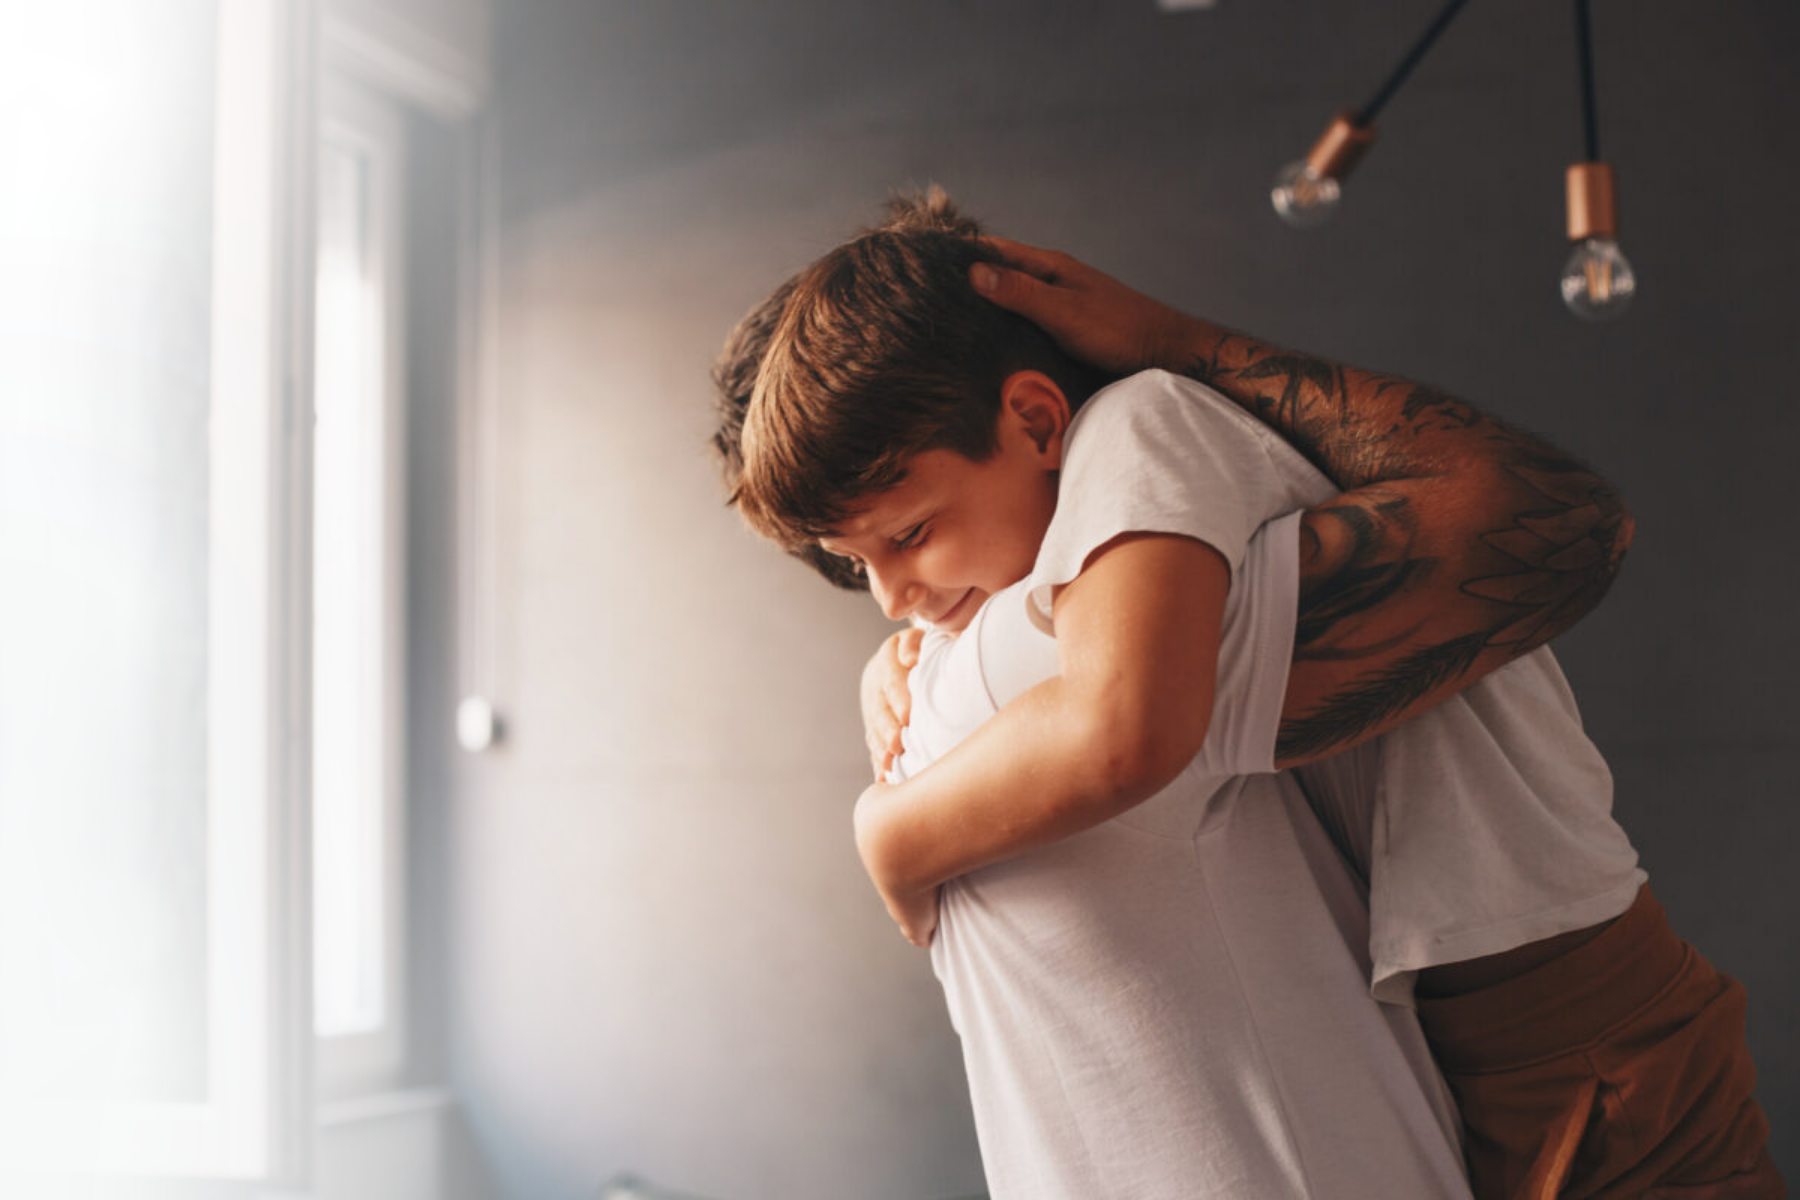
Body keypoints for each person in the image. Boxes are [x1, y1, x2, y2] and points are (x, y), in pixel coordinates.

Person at [837, 226, 1783, 1195]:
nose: (893, 594)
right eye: (855, 560)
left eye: (910, 536)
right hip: (1445, 1035)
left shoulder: (1143, 430)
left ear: (1037, 419)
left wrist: (891, 834)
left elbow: (1567, 523)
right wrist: (931, 645)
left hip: (1574, 1024)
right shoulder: (1093, 550)